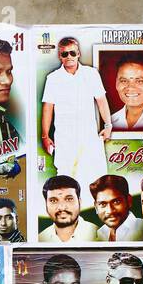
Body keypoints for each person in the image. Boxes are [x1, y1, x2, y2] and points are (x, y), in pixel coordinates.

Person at [41, 35, 111, 190]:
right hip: (65, 138)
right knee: (65, 180)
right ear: (60, 56)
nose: (69, 57)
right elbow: (47, 108)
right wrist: (45, 136)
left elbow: (101, 100)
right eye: (65, 54)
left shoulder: (91, 74)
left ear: (78, 53)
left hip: (89, 136)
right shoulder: (53, 78)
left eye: (72, 53)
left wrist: (108, 125)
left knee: (95, 178)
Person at [87, 174, 143, 242]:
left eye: (116, 202)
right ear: (96, 207)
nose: (110, 211)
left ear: (129, 201)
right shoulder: (99, 234)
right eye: (102, 204)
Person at [38, 174, 81, 243]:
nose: (62, 207)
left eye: (69, 199)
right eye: (53, 201)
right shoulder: (41, 238)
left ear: (80, 202)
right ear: (46, 204)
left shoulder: (97, 235)